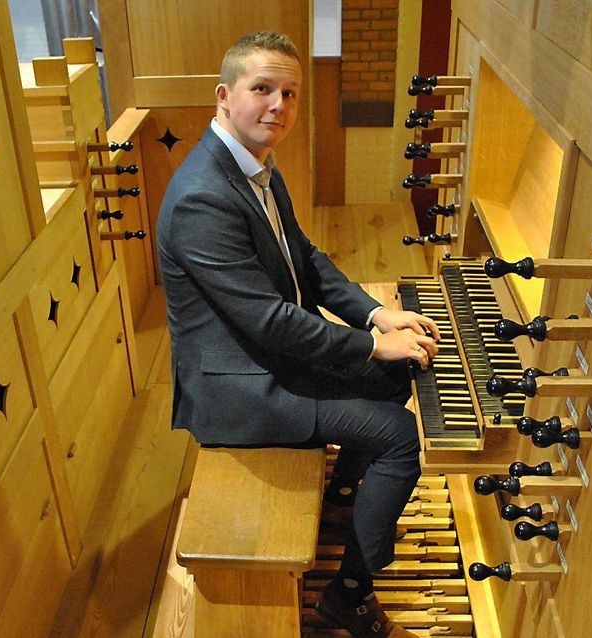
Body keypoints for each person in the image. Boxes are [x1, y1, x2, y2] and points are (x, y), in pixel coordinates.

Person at [156, 31, 440, 638]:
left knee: (397, 375)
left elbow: (304, 258)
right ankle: (349, 598)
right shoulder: (201, 198)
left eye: (288, 92)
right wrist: (368, 345)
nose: (278, 105)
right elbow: (269, 321)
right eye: (262, 89)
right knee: (396, 435)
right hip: (238, 387)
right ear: (224, 96)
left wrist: (373, 315)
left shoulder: (254, 164)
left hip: (267, 356)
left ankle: (342, 494)